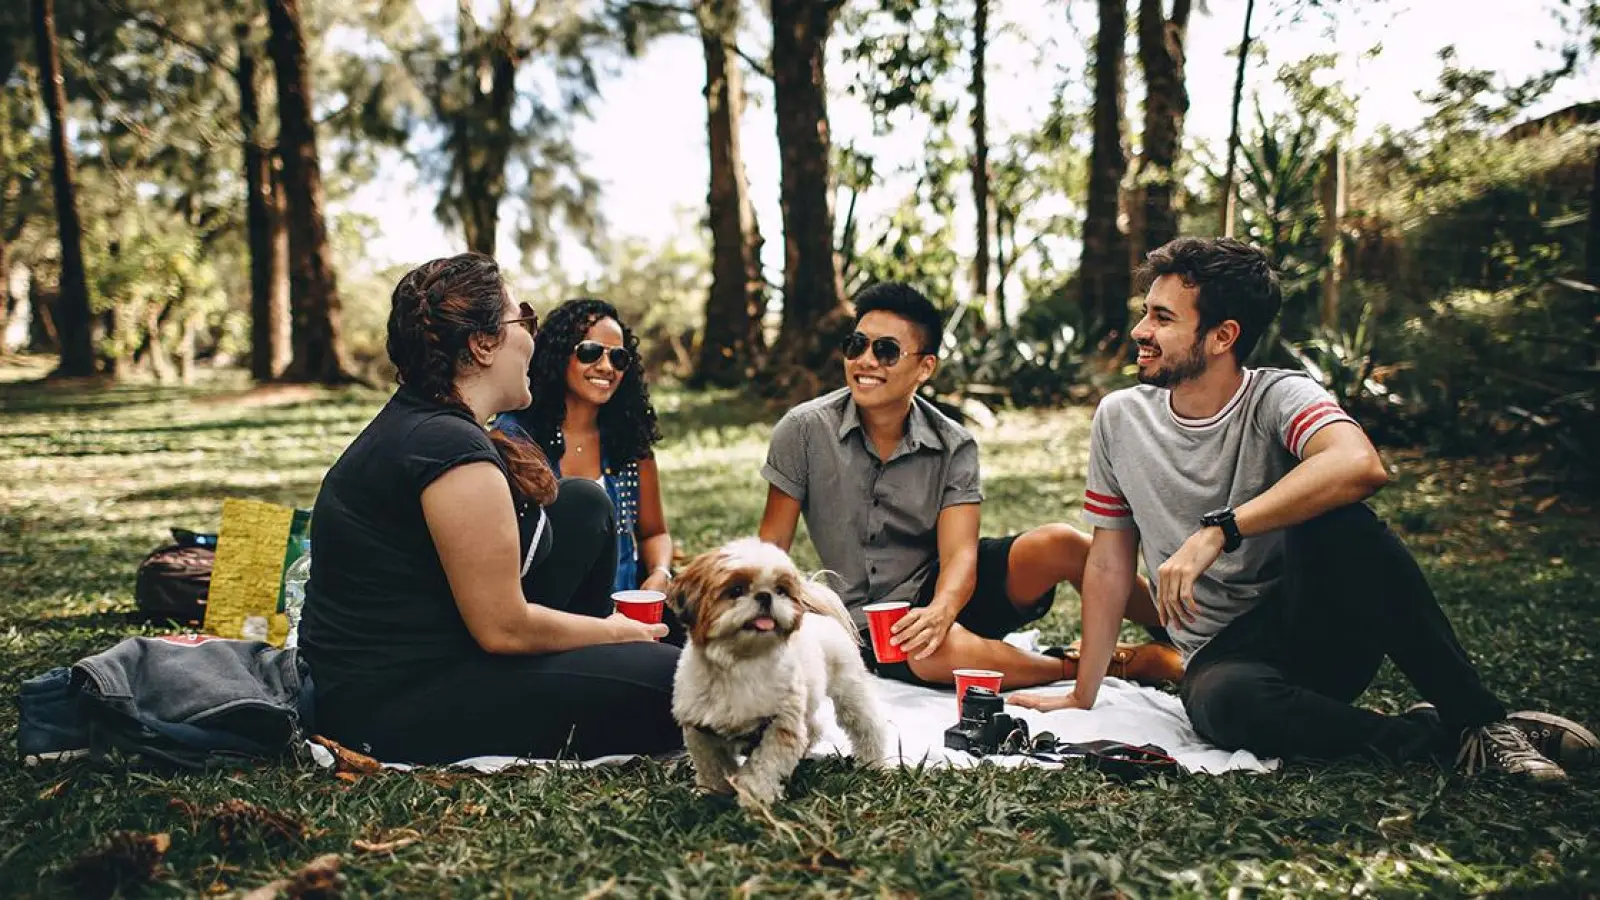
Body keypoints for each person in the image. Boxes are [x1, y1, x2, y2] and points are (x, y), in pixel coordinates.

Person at [1012, 237, 1597, 785]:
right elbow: (1111, 563)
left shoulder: (1279, 395)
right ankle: (1443, 740)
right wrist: (1082, 694)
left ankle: (1481, 719)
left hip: (1319, 628)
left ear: (1223, 336)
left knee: (1343, 519)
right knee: (1225, 706)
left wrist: (1222, 529)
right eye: (1147, 311)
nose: (1140, 329)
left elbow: (1359, 465)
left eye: (1163, 318)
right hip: (1223, 658)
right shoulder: (1120, 418)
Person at [298, 254, 681, 765]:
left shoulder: (433, 423)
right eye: (522, 319)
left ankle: (603, 663)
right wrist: (616, 631)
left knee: (583, 504)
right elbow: (503, 629)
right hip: (394, 703)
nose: (532, 337)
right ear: (481, 345)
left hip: (443, 650)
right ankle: (613, 664)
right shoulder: (447, 449)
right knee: (678, 684)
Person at [757, 282, 1183, 690]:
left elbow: (960, 553)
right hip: (867, 621)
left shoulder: (953, 444)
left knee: (1062, 543)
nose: (865, 361)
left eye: (886, 351)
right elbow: (770, 547)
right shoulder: (804, 430)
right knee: (930, 653)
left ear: (925, 367)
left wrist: (942, 609)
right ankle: (1101, 665)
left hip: (947, 587)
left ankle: (1187, 637)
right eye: (856, 345)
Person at [497, 298, 675, 596]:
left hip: (624, 613)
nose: (606, 367)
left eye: (618, 358)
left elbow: (654, 533)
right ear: (557, 355)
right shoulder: (516, 436)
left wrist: (660, 572)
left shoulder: (628, 441)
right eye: (590, 352)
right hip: (546, 614)